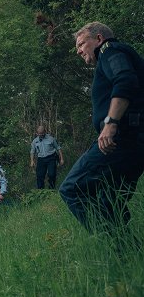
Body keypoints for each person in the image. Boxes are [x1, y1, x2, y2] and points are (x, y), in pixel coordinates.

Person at [59, 22, 144, 234]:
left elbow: (125, 80)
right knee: (109, 202)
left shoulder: (110, 50)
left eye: (81, 44)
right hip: (134, 142)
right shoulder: (111, 57)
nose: (78, 50)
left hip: (121, 139)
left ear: (98, 39)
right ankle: (128, 253)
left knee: (72, 189)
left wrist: (110, 123)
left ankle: (114, 247)